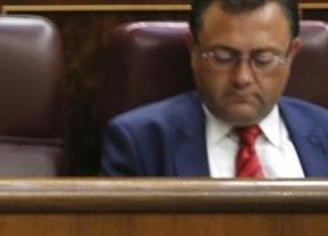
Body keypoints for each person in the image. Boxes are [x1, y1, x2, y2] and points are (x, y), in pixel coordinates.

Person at [101, 0, 328, 177]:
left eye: (263, 59)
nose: (242, 78)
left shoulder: (324, 132)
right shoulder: (141, 143)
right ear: (193, 51)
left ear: (291, 55)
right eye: (223, 57)